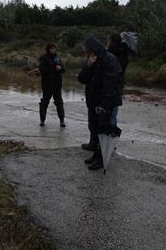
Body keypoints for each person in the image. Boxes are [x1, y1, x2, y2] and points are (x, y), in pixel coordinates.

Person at [77, 36, 123, 170]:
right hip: (93, 101)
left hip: (105, 103)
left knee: (104, 131)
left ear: (93, 49)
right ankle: (96, 153)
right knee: (95, 128)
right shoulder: (92, 60)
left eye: (87, 51)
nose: (86, 53)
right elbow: (82, 79)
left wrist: (104, 105)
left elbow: (111, 85)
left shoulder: (110, 60)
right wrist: (88, 65)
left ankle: (101, 159)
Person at [38, 43, 66, 127]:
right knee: (44, 102)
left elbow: (63, 69)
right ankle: (42, 120)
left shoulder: (57, 58)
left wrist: (60, 68)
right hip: (47, 85)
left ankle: (62, 120)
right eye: (52, 48)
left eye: (54, 48)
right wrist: (54, 68)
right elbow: (42, 69)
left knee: (59, 102)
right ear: (48, 49)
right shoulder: (43, 58)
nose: (53, 50)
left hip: (57, 85)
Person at [107, 33, 131, 128]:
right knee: (114, 112)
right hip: (119, 83)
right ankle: (113, 134)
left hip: (110, 84)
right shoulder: (124, 52)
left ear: (111, 41)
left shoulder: (110, 54)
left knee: (107, 112)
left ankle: (107, 136)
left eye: (108, 40)